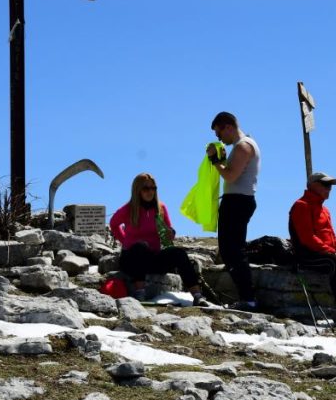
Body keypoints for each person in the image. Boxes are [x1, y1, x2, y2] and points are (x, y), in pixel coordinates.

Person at [109, 173, 209, 305]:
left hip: (153, 257)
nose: (150, 191)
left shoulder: (161, 208)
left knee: (179, 253)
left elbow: (168, 230)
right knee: (140, 247)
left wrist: (170, 233)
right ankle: (140, 293)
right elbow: (113, 224)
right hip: (131, 259)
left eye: (153, 188)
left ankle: (197, 295)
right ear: (137, 190)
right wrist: (125, 242)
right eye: (146, 188)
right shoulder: (128, 209)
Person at [206, 111, 260, 310]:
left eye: (219, 133)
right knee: (231, 250)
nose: (219, 138)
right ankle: (247, 297)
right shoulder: (246, 144)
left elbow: (230, 176)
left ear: (228, 127)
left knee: (232, 250)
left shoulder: (243, 146)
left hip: (237, 202)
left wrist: (215, 160)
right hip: (238, 200)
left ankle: (248, 298)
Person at [288, 172, 336, 328]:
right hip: (306, 253)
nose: (329, 188)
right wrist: (332, 252)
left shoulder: (324, 210)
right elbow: (307, 238)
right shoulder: (301, 205)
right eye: (325, 185)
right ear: (312, 185)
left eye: (330, 185)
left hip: (321, 252)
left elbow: (331, 237)